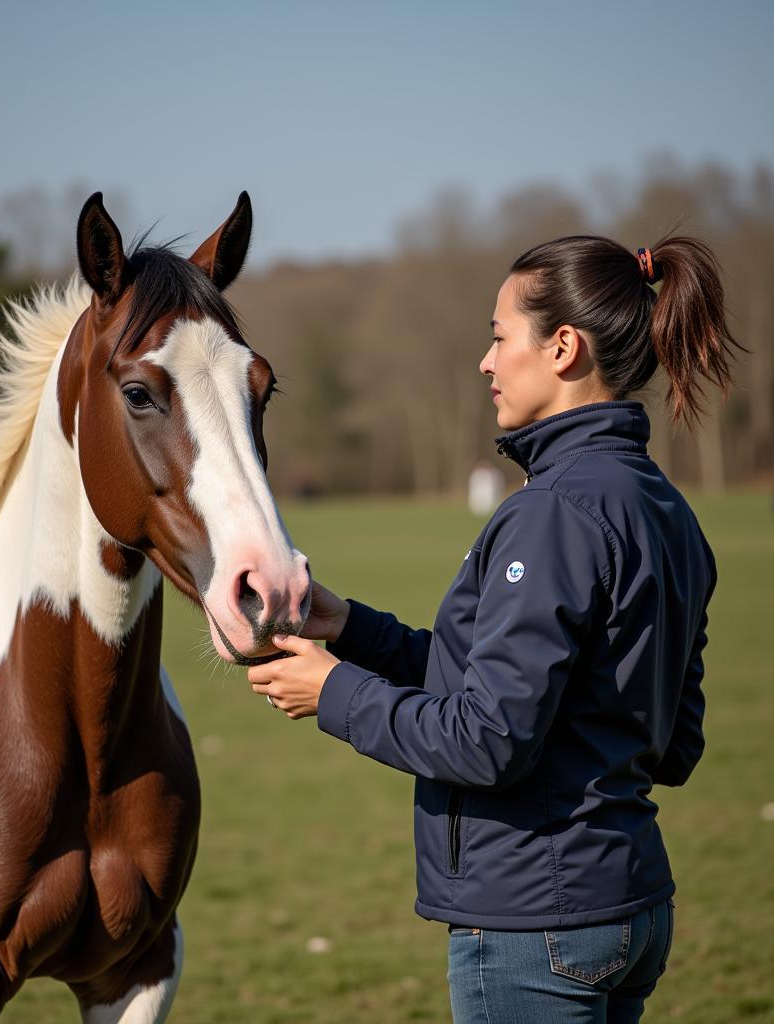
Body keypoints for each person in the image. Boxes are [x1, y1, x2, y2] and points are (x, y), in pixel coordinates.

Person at [248, 235, 736, 1023]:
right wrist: (352, 631)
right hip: (631, 907)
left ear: (564, 348)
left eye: (500, 335)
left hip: (536, 930)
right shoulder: (668, 511)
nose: (485, 361)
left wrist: (333, 692)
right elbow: (673, 742)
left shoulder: (552, 514)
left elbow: (487, 736)